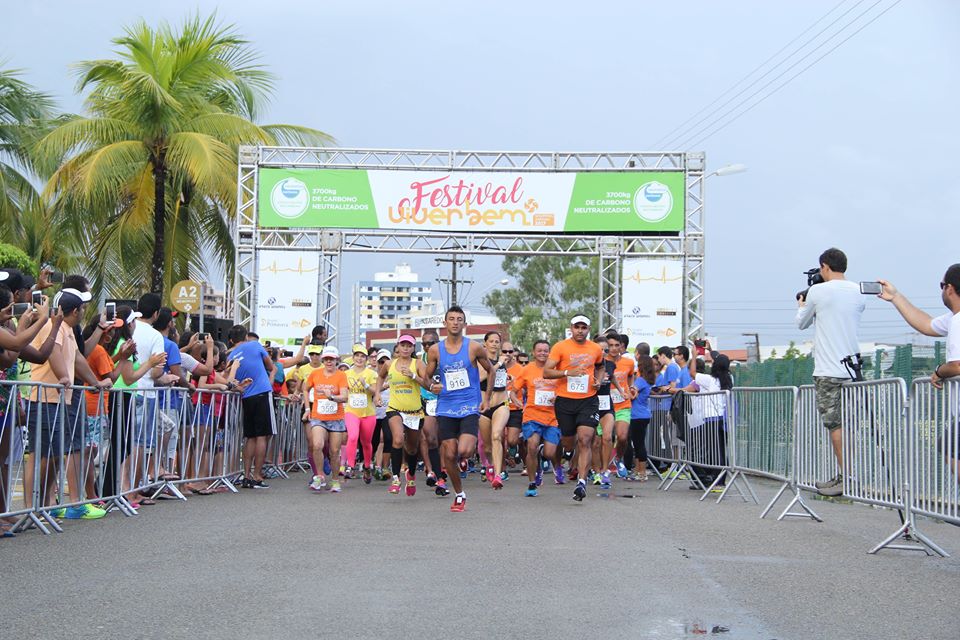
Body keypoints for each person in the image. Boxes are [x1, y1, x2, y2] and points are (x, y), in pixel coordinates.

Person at [24, 289, 112, 519]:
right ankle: (32, 507)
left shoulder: (69, 330)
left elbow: (78, 359)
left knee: (54, 455)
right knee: (41, 454)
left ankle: (45, 504)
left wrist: (96, 382)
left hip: (60, 398)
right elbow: (53, 353)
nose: (84, 313)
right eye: (83, 309)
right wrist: (65, 377)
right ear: (76, 311)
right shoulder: (53, 326)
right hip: (45, 398)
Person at [796, 248, 864, 497]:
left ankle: (847, 477)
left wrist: (802, 304)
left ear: (825, 266)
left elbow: (801, 323)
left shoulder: (817, 291)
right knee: (848, 425)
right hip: (852, 368)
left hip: (828, 369)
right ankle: (847, 473)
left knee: (835, 425)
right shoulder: (859, 291)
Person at [879, 264, 960, 474]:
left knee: (949, 446)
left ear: (949, 288)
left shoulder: (959, 321)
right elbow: (926, 324)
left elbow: (958, 365)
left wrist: (939, 371)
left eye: (941, 285)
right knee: (948, 444)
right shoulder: (953, 319)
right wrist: (896, 297)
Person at [423, 305, 494, 512]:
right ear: (445, 323)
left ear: (464, 323)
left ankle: (465, 460)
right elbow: (426, 378)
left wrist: (486, 398)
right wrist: (432, 387)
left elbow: (490, 371)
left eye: (459, 319)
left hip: (469, 405)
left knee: (464, 450)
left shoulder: (473, 347)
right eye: (451, 319)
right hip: (446, 407)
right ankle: (459, 494)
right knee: (450, 454)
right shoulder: (436, 350)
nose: (455, 322)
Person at [543, 315, 605, 502]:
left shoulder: (595, 348)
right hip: (565, 400)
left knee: (586, 439)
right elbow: (546, 372)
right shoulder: (560, 347)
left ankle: (582, 483)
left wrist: (599, 381)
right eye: (577, 327)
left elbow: (601, 367)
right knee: (568, 441)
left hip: (588, 400)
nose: (580, 330)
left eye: (583, 327)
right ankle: (568, 453)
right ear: (571, 328)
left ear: (588, 329)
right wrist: (568, 372)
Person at [375, 335, 430, 497]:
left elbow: (427, 383)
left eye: (409, 345)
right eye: (403, 345)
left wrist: (413, 376)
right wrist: (377, 393)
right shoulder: (389, 364)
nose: (405, 348)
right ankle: (396, 478)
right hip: (395, 408)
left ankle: (411, 476)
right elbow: (380, 377)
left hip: (414, 411)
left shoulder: (418, 363)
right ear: (397, 347)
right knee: (398, 439)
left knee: (412, 449)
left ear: (413, 348)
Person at [226, 324, 276, 489]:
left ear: (231, 340)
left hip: (245, 395)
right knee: (262, 436)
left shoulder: (230, 356)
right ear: (246, 336)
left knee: (250, 437)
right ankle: (257, 475)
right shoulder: (255, 345)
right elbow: (270, 365)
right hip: (261, 392)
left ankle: (246, 475)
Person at [511, 340, 559, 497]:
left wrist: (558, 398)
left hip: (553, 417)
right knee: (531, 446)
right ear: (533, 352)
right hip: (532, 415)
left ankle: (545, 461)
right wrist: (518, 403)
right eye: (540, 350)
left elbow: (564, 389)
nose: (543, 353)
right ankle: (532, 483)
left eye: (546, 350)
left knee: (550, 452)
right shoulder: (527, 370)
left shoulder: (557, 369)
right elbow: (513, 391)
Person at [684, 352, 733, 489]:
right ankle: (721, 480)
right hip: (723, 418)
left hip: (711, 418)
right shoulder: (729, 379)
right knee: (722, 450)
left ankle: (717, 481)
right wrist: (711, 350)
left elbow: (692, 373)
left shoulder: (709, 380)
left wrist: (694, 355)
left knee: (713, 451)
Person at [303, 346, 348, 493]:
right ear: (323, 360)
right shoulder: (315, 374)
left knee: (334, 451)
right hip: (318, 417)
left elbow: (345, 396)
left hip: (336, 418)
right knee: (317, 444)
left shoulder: (341, 375)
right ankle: (319, 476)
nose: (329, 362)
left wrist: (331, 397)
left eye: (332, 359)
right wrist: (307, 408)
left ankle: (335, 480)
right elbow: (305, 388)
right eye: (326, 359)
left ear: (336, 360)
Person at [478, 331, 511, 489]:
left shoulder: (505, 359)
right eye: (491, 341)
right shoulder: (480, 360)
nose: (494, 344)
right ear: (485, 343)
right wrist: (497, 364)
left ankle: (498, 475)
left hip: (501, 403)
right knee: (487, 445)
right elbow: (480, 377)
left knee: (497, 436)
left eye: (497, 341)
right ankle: (489, 465)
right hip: (485, 406)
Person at [417, 329, 447, 495]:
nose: (427, 346)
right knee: (429, 437)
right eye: (424, 343)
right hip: (426, 400)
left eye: (431, 343)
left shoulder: (445, 357)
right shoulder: (420, 360)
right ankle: (431, 471)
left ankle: (442, 468)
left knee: (443, 438)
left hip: (444, 400)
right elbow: (420, 379)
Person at [343, 344, 377, 483]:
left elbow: (376, 391)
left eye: (362, 356)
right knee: (352, 436)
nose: (359, 359)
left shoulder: (371, 374)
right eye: (357, 355)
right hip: (351, 411)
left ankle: (367, 466)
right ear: (353, 357)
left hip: (368, 412)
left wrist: (366, 385)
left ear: (367, 359)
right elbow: (342, 390)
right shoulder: (346, 374)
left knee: (366, 442)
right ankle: (350, 466)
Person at [608, 332, 635, 482]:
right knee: (601, 440)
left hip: (623, 405)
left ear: (621, 346)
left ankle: (618, 459)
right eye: (610, 345)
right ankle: (599, 467)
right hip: (605, 406)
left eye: (616, 345)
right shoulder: (602, 362)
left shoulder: (628, 363)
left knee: (623, 436)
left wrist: (631, 387)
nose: (613, 348)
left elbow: (631, 375)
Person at [629, 355, 656, 481]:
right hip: (643, 414)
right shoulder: (647, 380)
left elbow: (632, 394)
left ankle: (642, 472)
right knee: (638, 443)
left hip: (637, 415)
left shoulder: (640, 381)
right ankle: (639, 471)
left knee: (639, 444)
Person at [501, 340, 525, 472]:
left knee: (512, 440)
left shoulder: (520, 369)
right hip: (499, 406)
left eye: (510, 351)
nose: (508, 354)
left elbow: (528, 386)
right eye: (505, 351)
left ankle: (511, 450)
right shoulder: (495, 366)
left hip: (515, 408)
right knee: (500, 437)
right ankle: (503, 465)